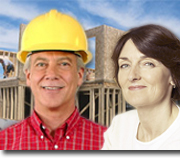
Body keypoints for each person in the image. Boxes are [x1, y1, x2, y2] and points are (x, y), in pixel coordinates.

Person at [0, 10, 106, 150]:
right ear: (28, 76)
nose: (51, 74)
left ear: (80, 75)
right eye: (41, 64)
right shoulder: (4, 143)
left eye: (64, 64)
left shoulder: (110, 144)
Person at [102, 24, 180, 150]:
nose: (132, 76)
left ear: (174, 76)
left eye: (148, 64)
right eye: (125, 65)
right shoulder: (120, 126)